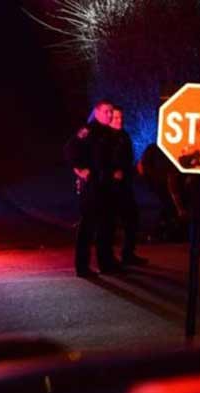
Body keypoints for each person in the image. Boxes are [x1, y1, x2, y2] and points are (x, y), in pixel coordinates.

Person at [65, 100, 121, 277]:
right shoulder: (88, 130)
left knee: (106, 225)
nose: (109, 115)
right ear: (96, 112)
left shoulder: (110, 133)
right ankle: (82, 267)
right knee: (88, 226)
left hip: (106, 185)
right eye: (106, 111)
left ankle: (106, 263)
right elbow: (70, 149)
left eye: (111, 111)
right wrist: (80, 169)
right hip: (92, 185)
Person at [108, 106, 147, 265]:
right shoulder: (106, 137)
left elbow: (127, 157)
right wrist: (112, 172)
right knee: (110, 222)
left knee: (131, 218)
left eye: (121, 118)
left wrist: (133, 170)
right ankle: (108, 257)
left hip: (125, 184)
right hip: (110, 186)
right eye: (116, 118)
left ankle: (128, 253)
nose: (119, 121)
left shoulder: (124, 136)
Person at [138, 143, 188, 241]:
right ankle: (163, 231)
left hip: (164, 184)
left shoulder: (160, 149)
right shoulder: (155, 149)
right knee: (165, 208)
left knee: (168, 208)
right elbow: (142, 166)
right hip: (157, 184)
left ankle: (170, 231)